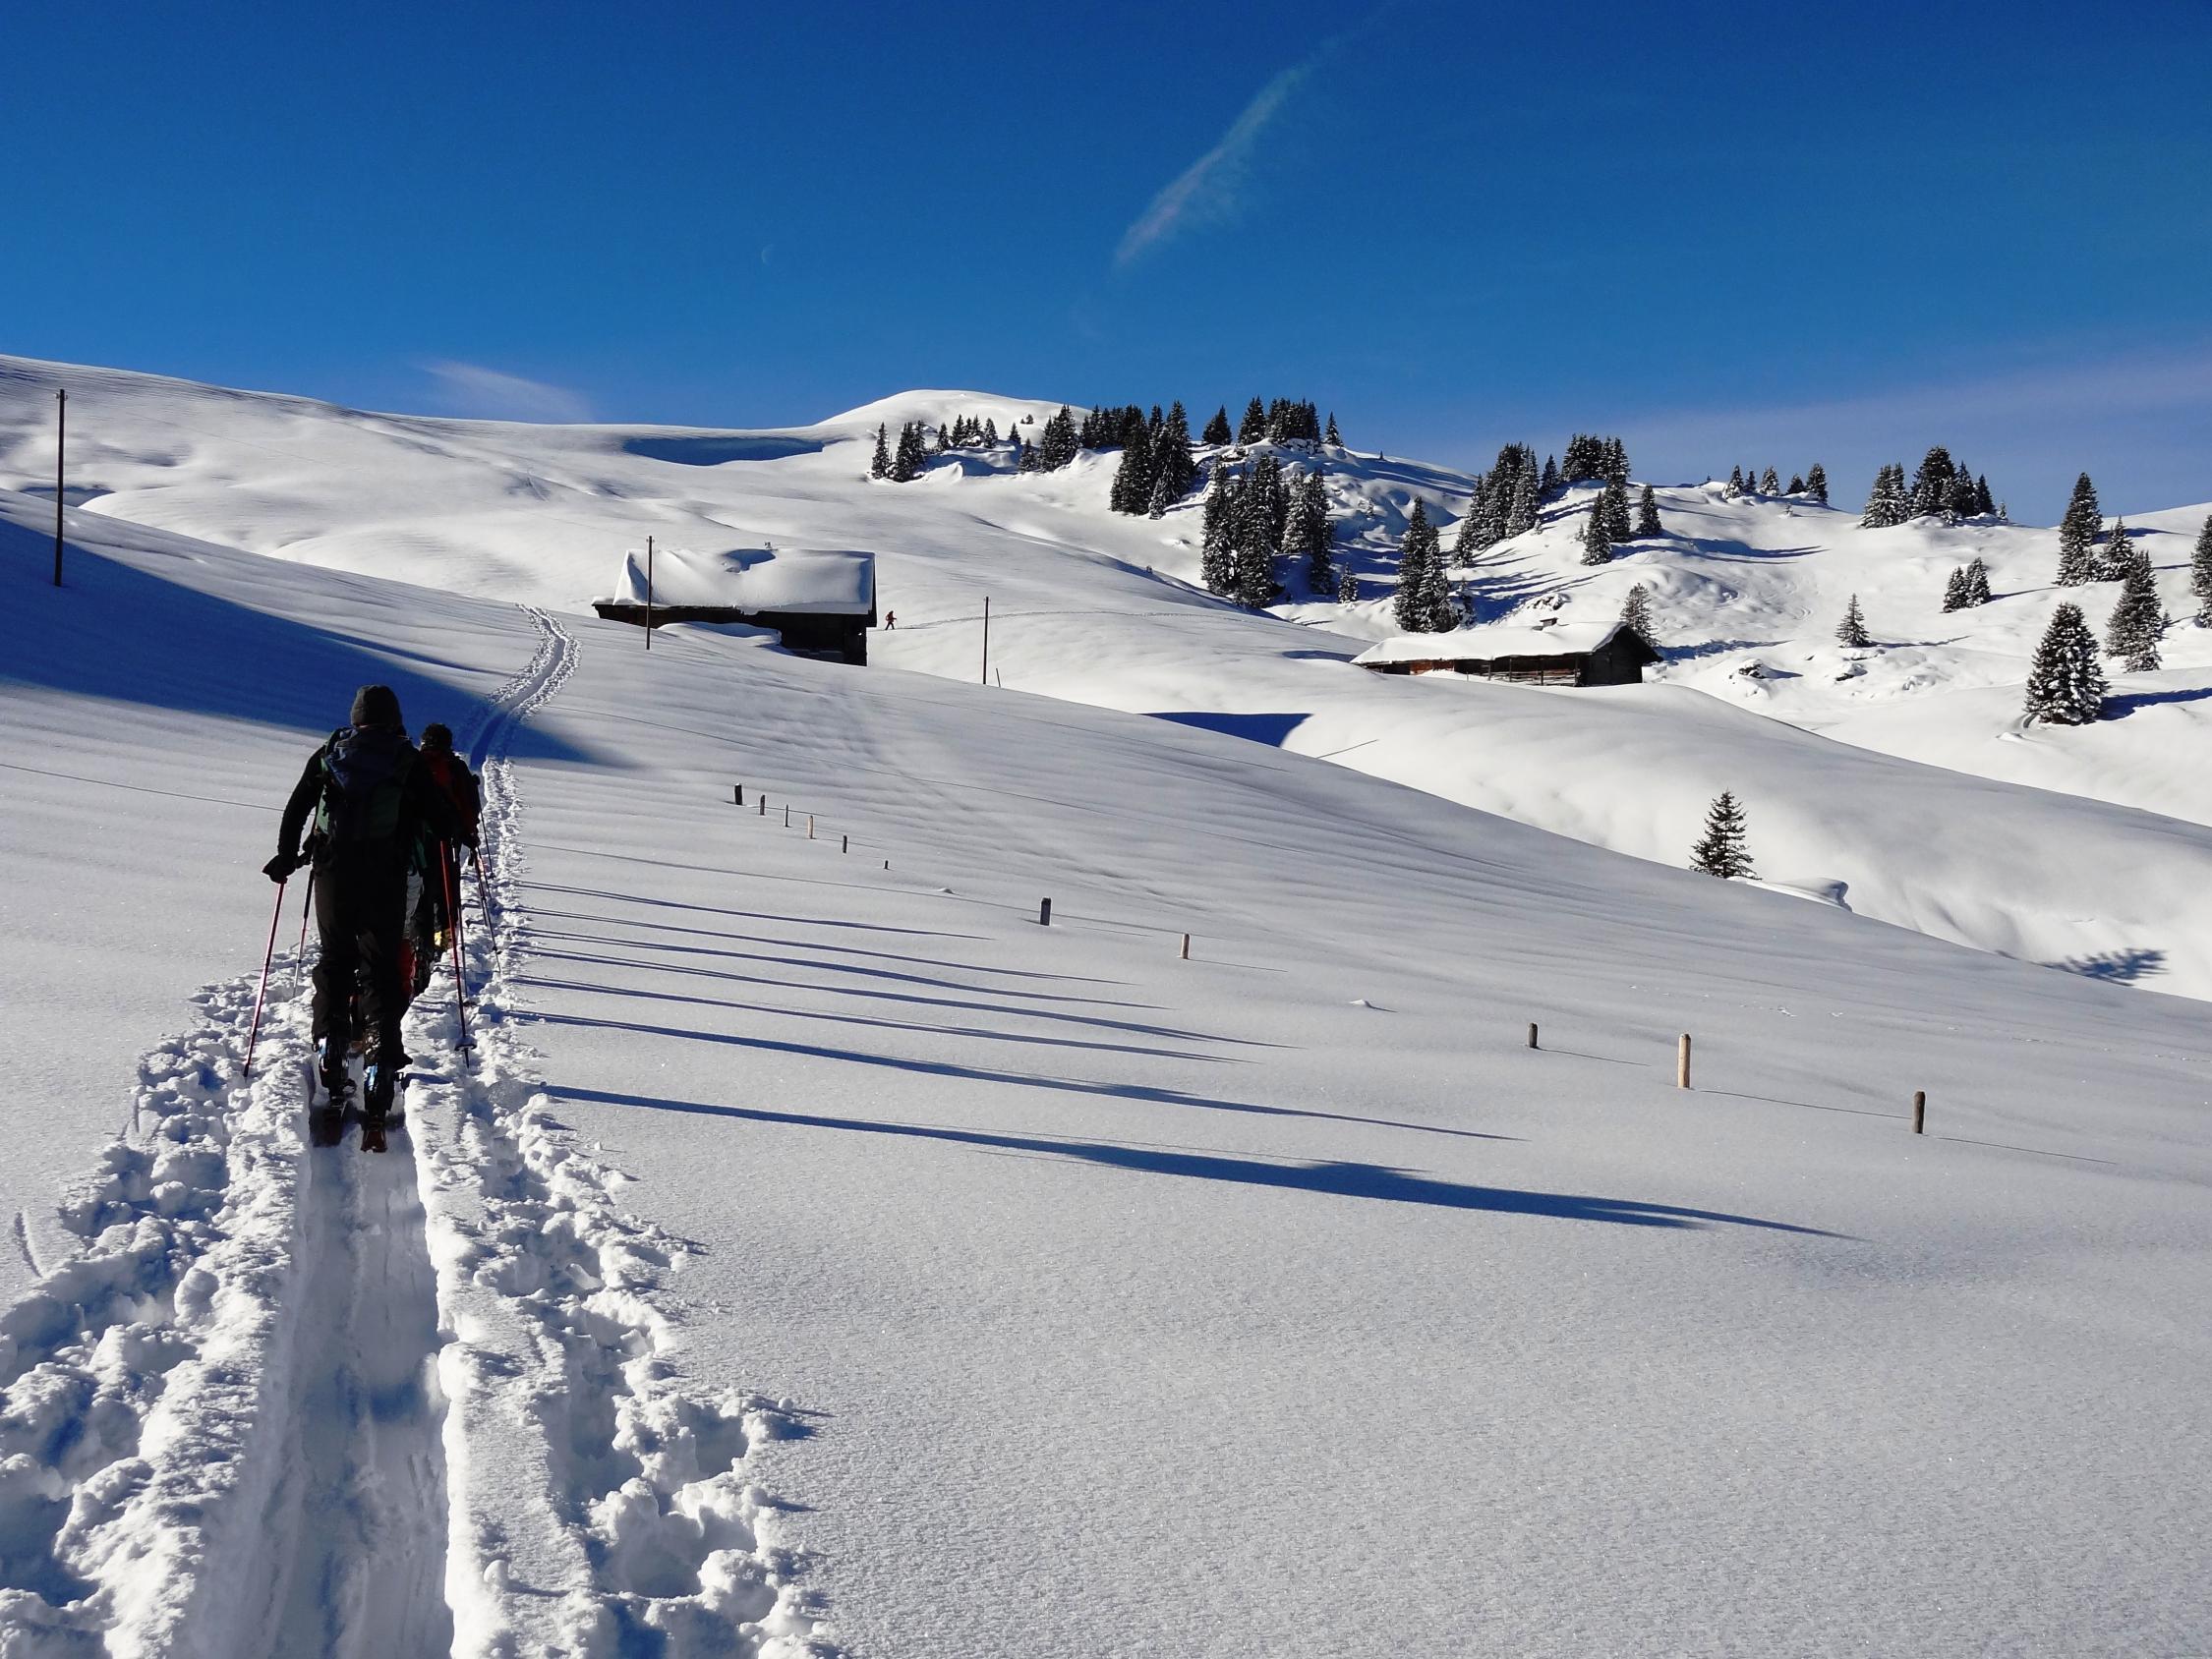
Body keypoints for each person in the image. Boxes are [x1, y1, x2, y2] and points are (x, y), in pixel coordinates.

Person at [263, 685, 470, 1121]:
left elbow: (297, 807)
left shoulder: (330, 753)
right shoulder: (406, 758)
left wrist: (286, 855)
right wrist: (451, 830)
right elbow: (442, 820)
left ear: (355, 717)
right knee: (379, 967)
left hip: (333, 872)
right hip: (386, 876)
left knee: (335, 959)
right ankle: (380, 1062)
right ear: (395, 719)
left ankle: (330, 1044)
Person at [408, 722, 483, 998]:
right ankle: (444, 939)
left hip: (413, 842)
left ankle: (418, 946)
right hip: (445, 840)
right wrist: (470, 835)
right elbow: (469, 806)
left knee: (419, 895)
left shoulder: (411, 763)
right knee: (446, 890)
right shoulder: (454, 767)